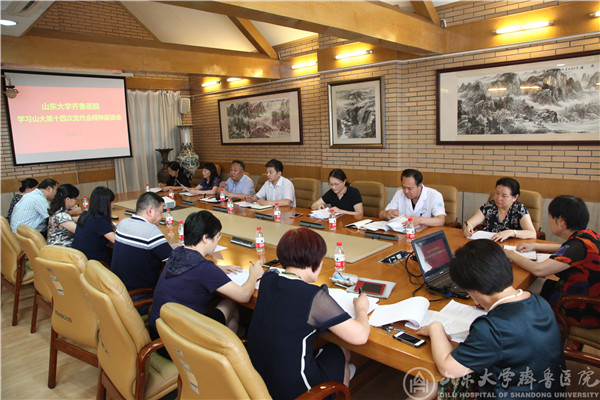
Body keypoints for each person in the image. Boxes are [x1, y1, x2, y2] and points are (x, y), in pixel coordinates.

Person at [416, 239, 565, 397]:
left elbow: (448, 369)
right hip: (549, 389)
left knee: (433, 383)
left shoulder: (491, 328)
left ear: (473, 291)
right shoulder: (538, 301)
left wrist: (435, 327)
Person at [247, 228, 370, 400]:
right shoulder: (312, 296)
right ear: (316, 262)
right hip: (296, 392)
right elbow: (360, 336)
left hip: (256, 380)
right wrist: (361, 309)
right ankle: (340, 381)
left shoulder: (268, 278)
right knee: (341, 351)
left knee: (332, 351)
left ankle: (344, 372)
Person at [148, 210, 263, 342]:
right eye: (217, 237)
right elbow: (243, 296)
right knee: (230, 304)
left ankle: (236, 335)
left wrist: (218, 268)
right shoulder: (204, 268)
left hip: (159, 333)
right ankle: (228, 352)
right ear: (204, 238)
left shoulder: (177, 252)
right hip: (181, 343)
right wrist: (253, 274)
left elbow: (190, 270)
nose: (217, 241)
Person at [505, 195, 600, 328]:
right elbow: (565, 249)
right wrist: (535, 246)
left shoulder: (577, 247)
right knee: (533, 285)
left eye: (550, 217)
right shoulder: (587, 236)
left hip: (580, 308)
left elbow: (539, 270)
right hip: (586, 297)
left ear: (561, 221)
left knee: (519, 293)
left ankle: (531, 331)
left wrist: (510, 254)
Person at [111, 192, 175, 295]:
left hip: (118, 290)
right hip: (140, 294)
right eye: (160, 212)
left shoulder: (123, 223)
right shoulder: (151, 231)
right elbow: (173, 263)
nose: (161, 217)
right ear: (150, 211)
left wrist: (171, 247)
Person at [463, 177, 536, 242]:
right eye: (497, 193)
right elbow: (470, 223)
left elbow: (532, 233)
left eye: (504, 196)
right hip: (490, 246)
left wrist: (511, 232)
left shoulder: (519, 209)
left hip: (512, 247)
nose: (498, 198)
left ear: (515, 197)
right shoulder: (489, 206)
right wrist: (467, 229)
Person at [379, 169, 445, 227]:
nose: (406, 191)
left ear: (420, 186)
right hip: (403, 232)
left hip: (425, 234)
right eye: (403, 187)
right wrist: (386, 214)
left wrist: (419, 220)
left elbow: (441, 221)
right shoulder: (399, 193)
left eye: (410, 188)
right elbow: (381, 214)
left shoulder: (434, 195)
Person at [72, 186, 115, 265]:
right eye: (112, 202)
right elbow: (117, 241)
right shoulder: (99, 220)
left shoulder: (85, 215)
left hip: (80, 260)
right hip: (96, 263)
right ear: (106, 204)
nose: (113, 205)